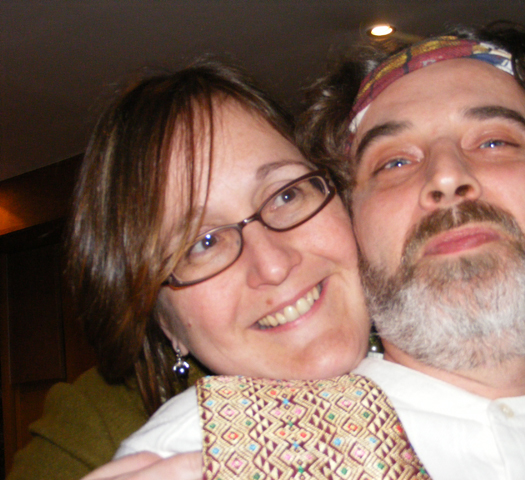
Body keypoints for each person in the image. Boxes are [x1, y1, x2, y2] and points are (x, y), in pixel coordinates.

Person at [296, 21, 525, 479]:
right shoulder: (220, 451)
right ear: (352, 238)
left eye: (495, 142)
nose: (445, 176)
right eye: (395, 162)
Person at [7, 59, 370, 480]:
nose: (273, 265)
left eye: (286, 195)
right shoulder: (98, 436)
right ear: (165, 322)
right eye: (204, 243)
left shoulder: (427, 321)